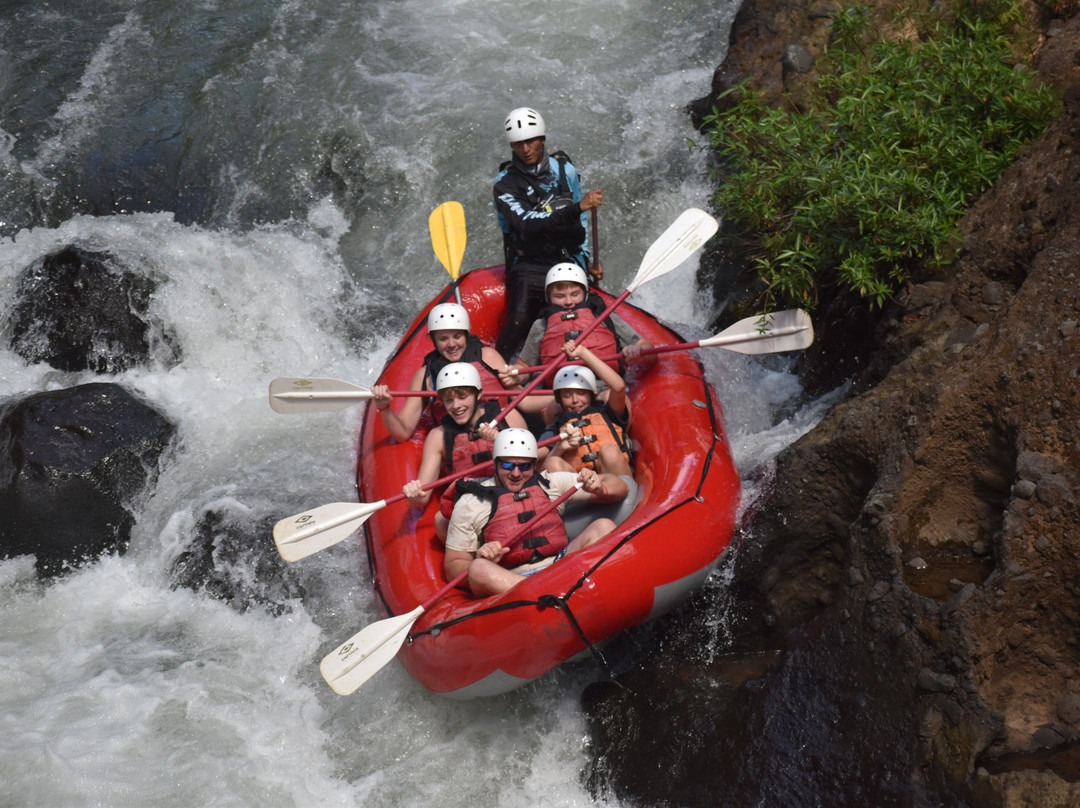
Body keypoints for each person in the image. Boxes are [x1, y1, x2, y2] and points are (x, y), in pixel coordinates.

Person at [443, 428, 629, 597]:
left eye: (524, 466)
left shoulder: (551, 484)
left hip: (559, 564)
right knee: (478, 569)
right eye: (508, 466)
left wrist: (599, 487)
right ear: (496, 463)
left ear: (533, 465)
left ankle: (560, 593)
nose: (516, 473)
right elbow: (453, 565)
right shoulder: (471, 503)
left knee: (603, 526)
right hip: (511, 580)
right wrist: (481, 556)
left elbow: (620, 486)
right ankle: (547, 595)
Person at [493, 107, 604, 359]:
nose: (526, 149)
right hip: (529, 262)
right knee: (520, 319)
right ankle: (496, 370)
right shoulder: (504, 184)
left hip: (567, 257)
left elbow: (583, 220)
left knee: (582, 315)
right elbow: (527, 222)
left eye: (531, 141)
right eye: (519, 143)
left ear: (542, 139)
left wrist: (585, 259)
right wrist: (575, 209)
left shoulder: (566, 171)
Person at [498, 263, 654, 409]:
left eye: (574, 294)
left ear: (585, 292)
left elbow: (648, 349)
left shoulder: (604, 316)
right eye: (560, 296)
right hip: (563, 394)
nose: (568, 302)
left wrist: (637, 350)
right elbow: (524, 366)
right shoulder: (541, 326)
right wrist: (517, 376)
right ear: (549, 297)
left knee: (616, 400)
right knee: (554, 408)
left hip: (604, 388)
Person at [401, 363, 528, 539]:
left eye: (462, 397)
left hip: (514, 497)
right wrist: (413, 495)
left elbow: (537, 457)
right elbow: (423, 496)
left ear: (479, 394)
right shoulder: (437, 437)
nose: (456, 406)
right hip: (473, 509)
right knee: (441, 520)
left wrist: (501, 440)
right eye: (449, 400)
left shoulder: (507, 417)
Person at [372, 302, 511, 442]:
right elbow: (403, 432)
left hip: (503, 437)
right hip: (459, 447)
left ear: (466, 335)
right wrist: (384, 407)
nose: (451, 344)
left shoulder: (488, 356)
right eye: (443, 339)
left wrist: (516, 382)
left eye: (457, 336)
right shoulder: (425, 376)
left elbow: (527, 403)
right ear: (432, 340)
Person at [540, 347, 633, 478]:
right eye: (567, 396)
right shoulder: (557, 425)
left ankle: (625, 495)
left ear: (591, 394)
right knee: (552, 462)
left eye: (582, 393)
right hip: (581, 487)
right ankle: (574, 497)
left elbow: (618, 387)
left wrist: (584, 353)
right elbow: (543, 467)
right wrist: (559, 447)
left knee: (609, 451)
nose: (575, 400)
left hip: (616, 483)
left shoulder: (608, 413)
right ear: (559, 400)